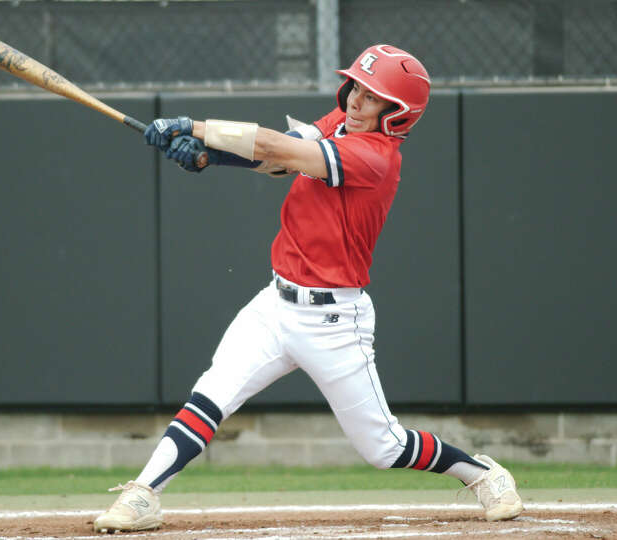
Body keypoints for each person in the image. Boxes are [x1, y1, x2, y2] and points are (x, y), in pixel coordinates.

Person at [92, 44, 523, 533]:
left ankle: (481, 473)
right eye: (357, 87)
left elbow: (279, 147)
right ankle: (144, 494)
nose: (358, 101)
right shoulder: (342, 119)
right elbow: (280, 162)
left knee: (385, 448)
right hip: (276, 304)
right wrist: (209, 158)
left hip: (334, 322)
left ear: (397, 115)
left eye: (373, 96)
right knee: (211, 394)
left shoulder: (373, 158)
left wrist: (193, 127)